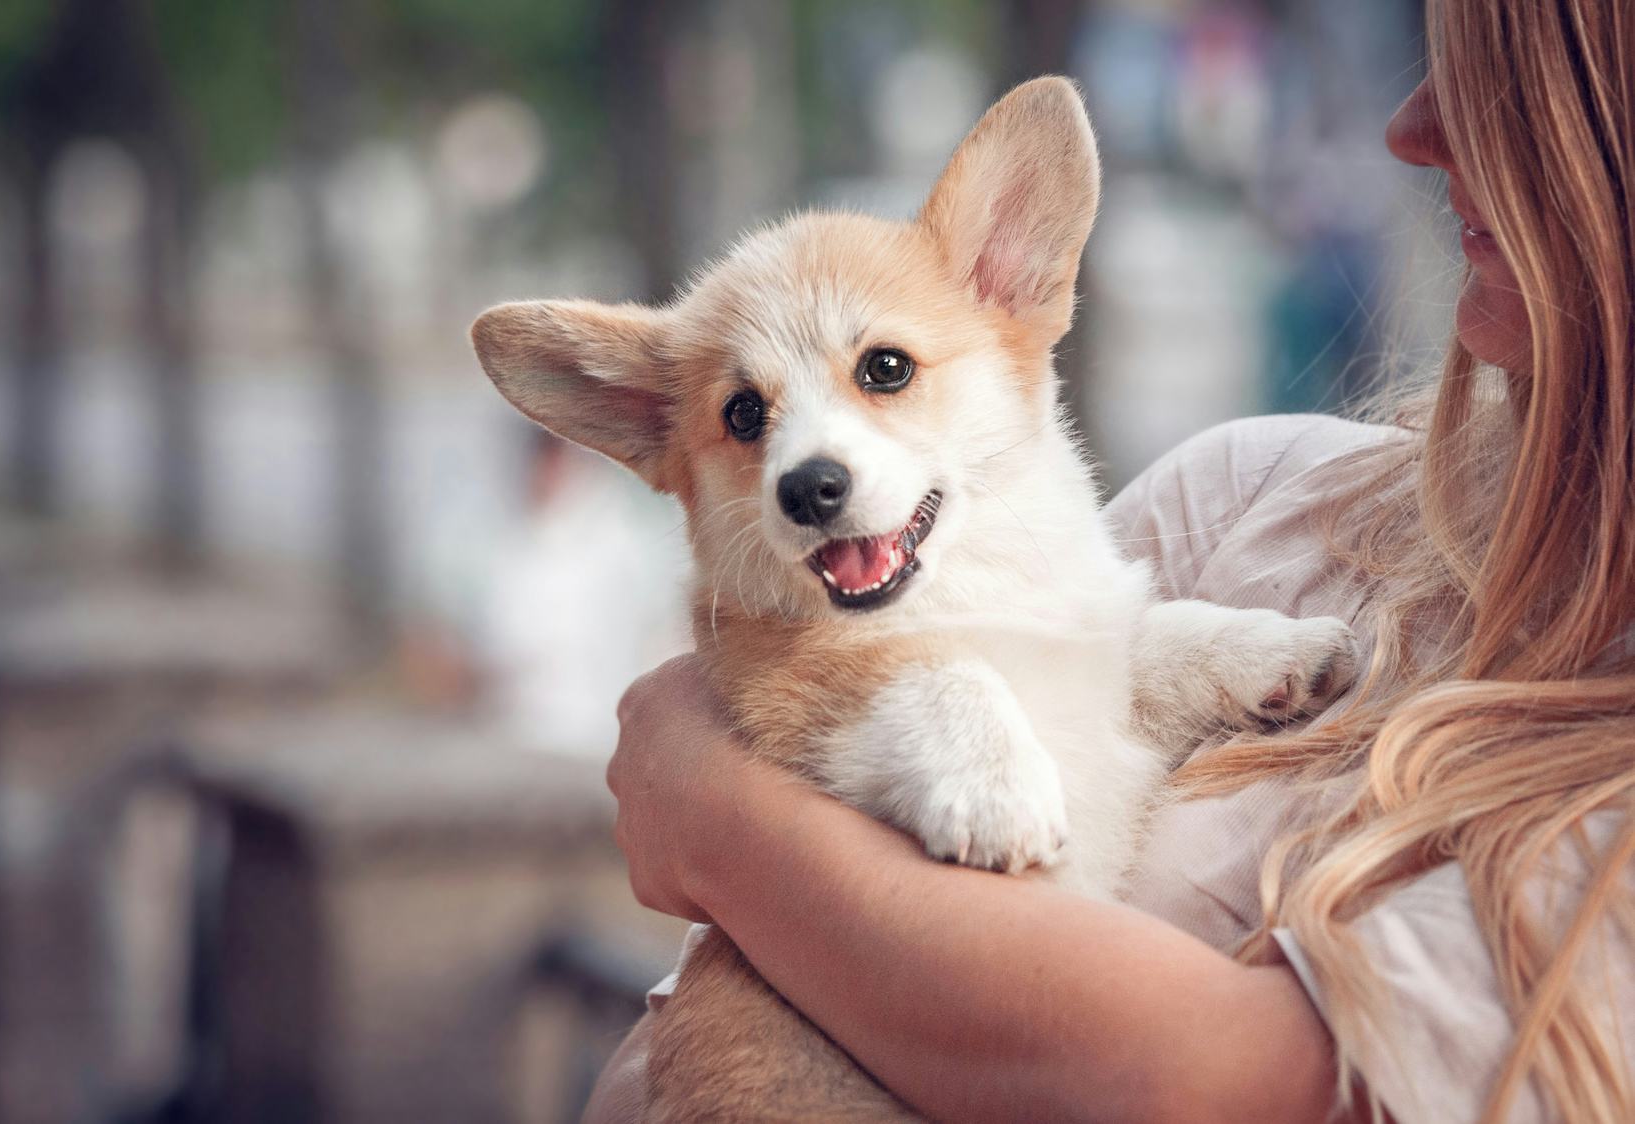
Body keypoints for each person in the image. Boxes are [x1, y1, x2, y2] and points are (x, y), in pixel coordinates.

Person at [587, 0, 1635, 1118]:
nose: (1411, 127)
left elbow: (1236, 1083)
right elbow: (656, 1063)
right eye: (745, 413)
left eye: (1514, 87)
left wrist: (723, 819)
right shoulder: (1245, 503)